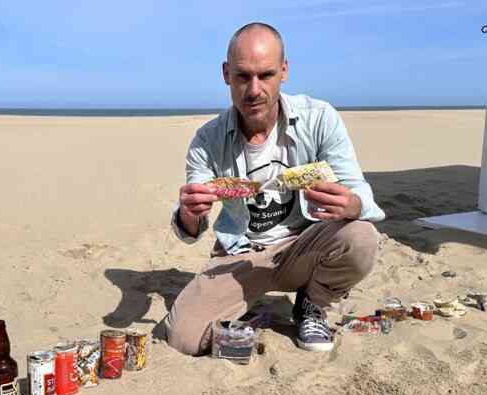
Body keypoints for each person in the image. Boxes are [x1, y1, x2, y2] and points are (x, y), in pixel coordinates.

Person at [165, 22, 385, 354]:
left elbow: (362, 197)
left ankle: (312, 305)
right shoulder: (207, 140)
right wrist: (189, 213)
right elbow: (191, 232)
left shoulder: (320, 118)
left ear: (284, 71)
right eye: (242, 76)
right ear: (226, 74)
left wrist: (351, 204)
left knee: (361, 237)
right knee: (183, 338)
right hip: (240, 255)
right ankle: (247, 314)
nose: (254, 90)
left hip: (303, 247)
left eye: (265, 75)